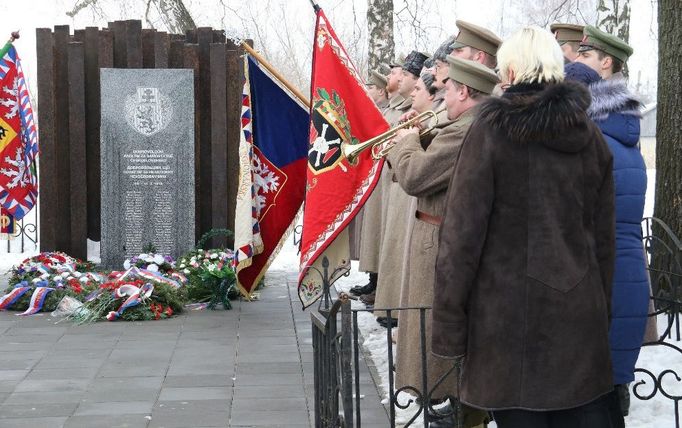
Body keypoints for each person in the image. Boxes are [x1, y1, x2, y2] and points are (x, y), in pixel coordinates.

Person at [432, 26, 623, 428]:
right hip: (577, 321)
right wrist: (598, 313)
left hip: (505, 329)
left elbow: (460, 238)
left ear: (512, 71)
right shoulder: (590, 135)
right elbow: (604, 243)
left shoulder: (490, 132)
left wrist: (450, 326)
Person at [390, 56, 498, 428]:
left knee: (442, 327)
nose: (443, 97)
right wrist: (416, 138)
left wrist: (405, 144)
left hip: (440, 242)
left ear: (465, 91)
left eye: (447, 89)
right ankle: (454, 401)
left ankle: (457, 402)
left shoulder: (465, 129)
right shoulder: (463, 125)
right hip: (439, 237)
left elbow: (416, 176)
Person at [565, 61, 648, 418]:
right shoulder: (627, 141)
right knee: (612, 396)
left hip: (600, 275)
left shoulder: (590, 142)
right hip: (629, 273)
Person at [371, 50, 427, 321]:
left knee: (398, 248)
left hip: (408, 186)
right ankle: (388, 302)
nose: (399, 77)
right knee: (391, 246)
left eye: (405, 74)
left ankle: (395, 309)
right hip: (396, 181)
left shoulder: (416, 110)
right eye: (398, 73)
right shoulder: (402, 108)